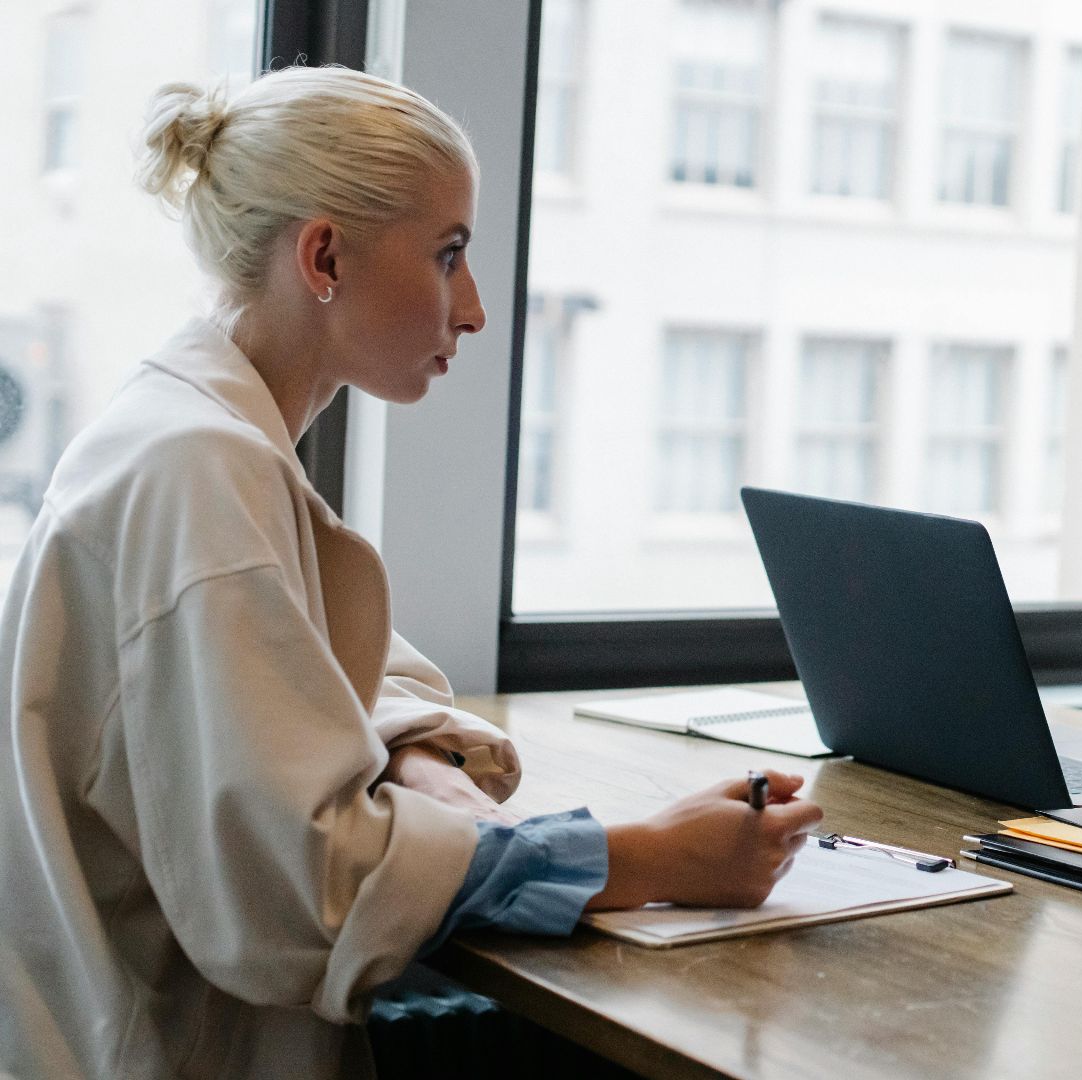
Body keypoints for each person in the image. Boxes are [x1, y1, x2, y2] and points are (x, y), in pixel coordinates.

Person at [0, 66, 823, 1079]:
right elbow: (308, 891)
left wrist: (420, 763)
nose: (472, 310)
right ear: (324, 255)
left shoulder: (192, 430)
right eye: (449, 255)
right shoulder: (198, 468)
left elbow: (338, 682)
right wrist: (649, 857)